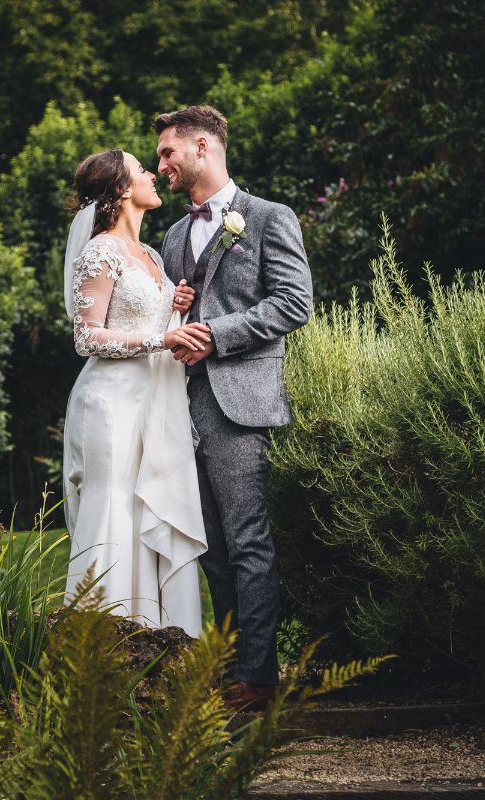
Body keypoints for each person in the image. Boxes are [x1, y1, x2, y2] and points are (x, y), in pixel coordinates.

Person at [155, 105, 313, 710]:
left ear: (202, 146)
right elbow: (173, 313)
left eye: (168, 152)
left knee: (248, 541)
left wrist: (216, 334)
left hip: (239, 402)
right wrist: (176, 311)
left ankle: (258, 678)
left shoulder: (269, 217)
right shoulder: (173, 236)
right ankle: (229, 669)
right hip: (178, 403)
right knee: (211, 547)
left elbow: (294, 303)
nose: (162, 165)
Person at [61, 148, 211, 637]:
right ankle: (101, 641)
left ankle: (161, 641)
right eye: (142, 170)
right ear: (123, 189)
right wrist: (162, 337)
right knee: (115, 508)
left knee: (149, 507)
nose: (153, 174)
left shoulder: (149, 255)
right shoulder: (99, 251)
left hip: (153, 404)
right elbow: (88, 337)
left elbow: (148, 319)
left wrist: (175, 306)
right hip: (111, 404)